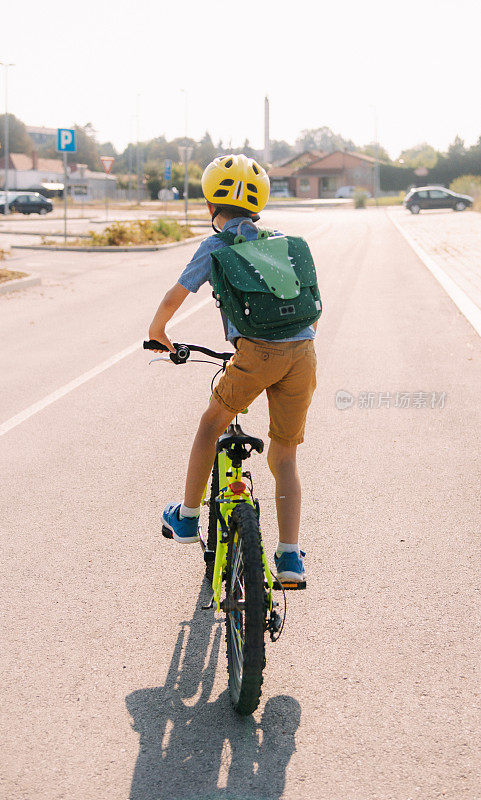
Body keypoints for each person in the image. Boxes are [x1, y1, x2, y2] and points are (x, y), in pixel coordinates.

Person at [148, 154, 318, 582]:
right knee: (284, 455)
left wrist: (158, 329)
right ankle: (290, 556)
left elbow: (177, 293)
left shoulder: (217, 245)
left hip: (255, 356)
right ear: (259, 207)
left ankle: (187, 517)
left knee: (211, 423)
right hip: (302, 354)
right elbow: (313, 308)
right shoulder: (279, 240)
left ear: (210, 207)